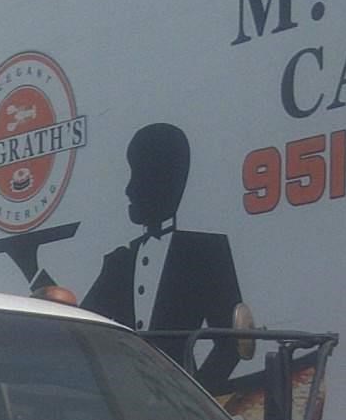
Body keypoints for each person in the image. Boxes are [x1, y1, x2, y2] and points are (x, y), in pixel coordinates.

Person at [74, 124, 246, 392]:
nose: (129, 189)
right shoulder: (120, 263)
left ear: (168, 180)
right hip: (123, 399)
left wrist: (195, 397)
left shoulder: (204, 252)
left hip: (177, 403)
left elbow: (233, 343)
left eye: (139, 175)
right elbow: (80, 329)